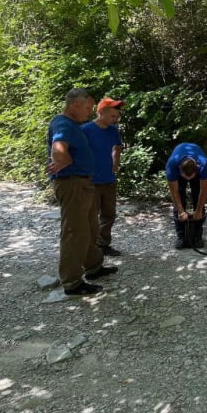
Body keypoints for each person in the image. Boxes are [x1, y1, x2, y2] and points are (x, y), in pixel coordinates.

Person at [47, 87, 118, 295]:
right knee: (75, 233)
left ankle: (94, 267)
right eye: (88, 108)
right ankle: (72, 282)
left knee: (90, 228)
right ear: (74, 105)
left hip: (82, 183)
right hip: (73, 183)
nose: (90, 112)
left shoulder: (72, 124)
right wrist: (64, 160)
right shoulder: (63, 123)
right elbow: (58, 151)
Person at [81, 97, 125, 257]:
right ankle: (90, 249)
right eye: (113, 116)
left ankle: (103, 244)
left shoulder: (113, 130)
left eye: (117, 116)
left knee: (109, 215)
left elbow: (117, 148)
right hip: (91, 181)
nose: (116, 119)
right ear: (100, 113)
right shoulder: (85, 130)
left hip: (109, 180)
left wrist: (115, 164)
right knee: (91, 218)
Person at [164, 142, 207, 249]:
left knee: (197, 196)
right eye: (186, 177)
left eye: (191, 177)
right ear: (179, 169)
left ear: (197, 170)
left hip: (196, 170)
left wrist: (198, 210)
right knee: (179, 197)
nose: (188, 179)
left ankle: (198, 237)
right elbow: (174, 192)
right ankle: (180, 237)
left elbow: (203, 191)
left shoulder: (204, 164)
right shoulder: (172, 165)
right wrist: (181, 211)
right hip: (178, 171)